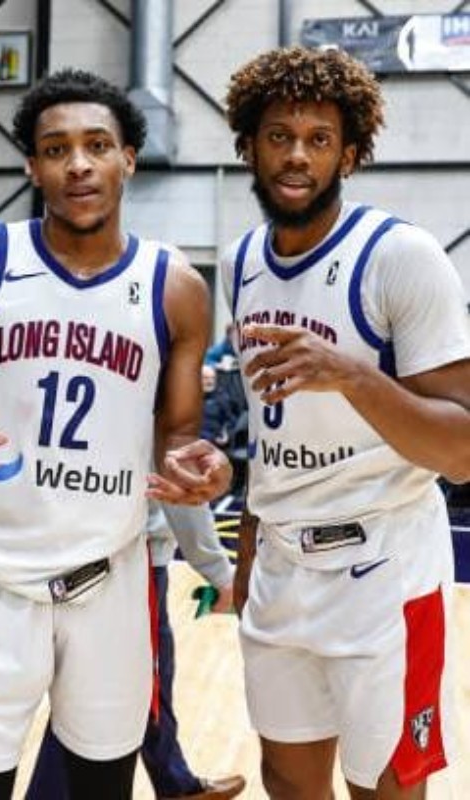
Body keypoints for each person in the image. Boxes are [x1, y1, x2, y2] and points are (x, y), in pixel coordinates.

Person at [0, 68, 231, 799]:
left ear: (128, 159)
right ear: (32, 166)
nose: (78, 164)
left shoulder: (175, 286)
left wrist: (210, 470)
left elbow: (179, 439)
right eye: (56, 150)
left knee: (102, 787)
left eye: (96, 146)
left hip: (110, 582)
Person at [215, 45, 470, 799]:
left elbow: (461, 449)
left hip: (385, 570)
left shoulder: (400, 257)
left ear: (348, 155)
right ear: (249, 147)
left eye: (318, 139)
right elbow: (270, 434)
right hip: (280, 566)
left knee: (384, 788)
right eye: (278, 136)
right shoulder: (238, 262)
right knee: (287, 783)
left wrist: (351, 374)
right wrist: (248, 558)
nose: (297, 155)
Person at [25, 499, 246, 800]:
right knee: (97, 693)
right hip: (131, 559)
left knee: (129, 683)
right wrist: (219, 572)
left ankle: (175, 782)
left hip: (87, 552)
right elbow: (183, 487)